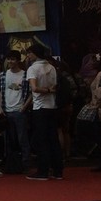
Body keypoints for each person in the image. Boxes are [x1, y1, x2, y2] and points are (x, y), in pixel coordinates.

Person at [25, 44, 61, 180]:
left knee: (42, 140)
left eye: (29, 53)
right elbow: (55, 86)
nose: (28, 56)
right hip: (52, 106)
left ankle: (43, 171)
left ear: (35, 53)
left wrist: (46, 90)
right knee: (53, 139)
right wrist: (51, 90)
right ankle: (57, 170)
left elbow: (34, 88)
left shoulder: (32, 69)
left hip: (39, 107)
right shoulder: (52, 67)